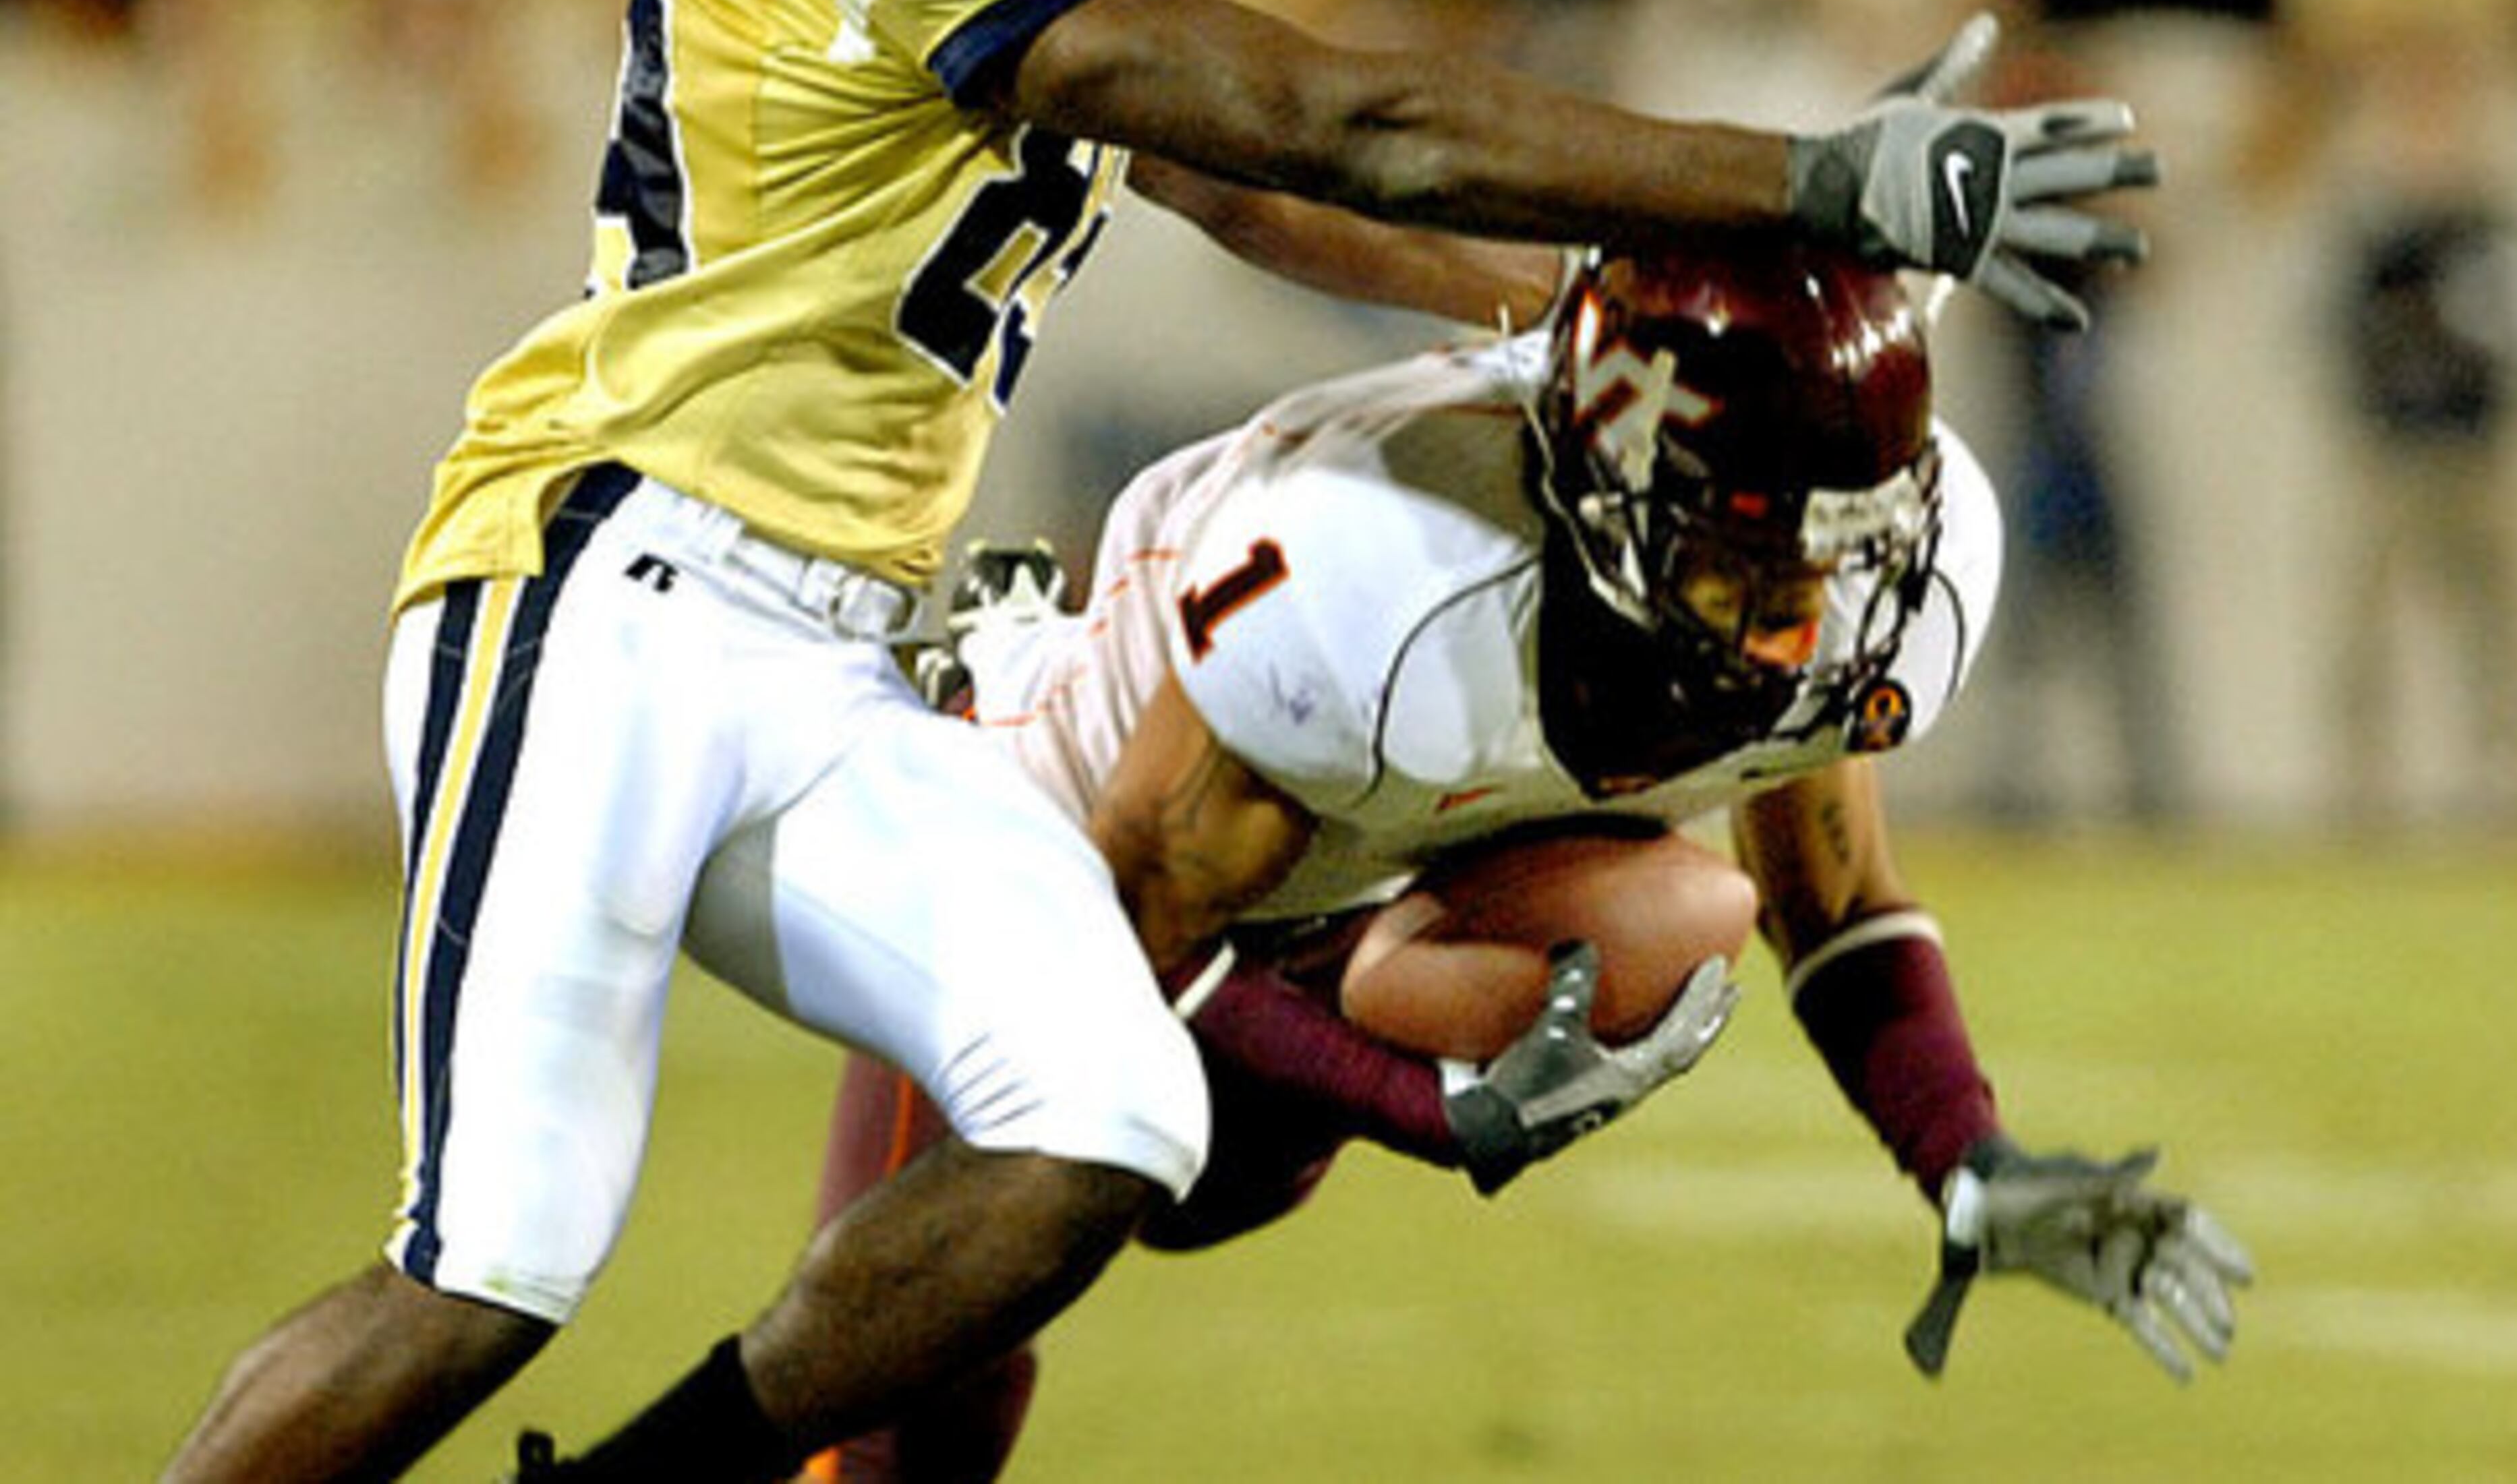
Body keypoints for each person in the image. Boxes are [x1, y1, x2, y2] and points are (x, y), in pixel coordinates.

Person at [157, 0, 2161, 1480]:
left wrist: (1616, 305)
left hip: (819, 645)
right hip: (606, 585)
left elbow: (1245, 189)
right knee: (487, 1271)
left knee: (1104, 1116)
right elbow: (1329, 122)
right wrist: (1797, 179)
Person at [798, 241, 2251, 1481]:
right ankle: (1004, 661)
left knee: (1681, 911)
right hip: (1069, 864)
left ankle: (1340, 974)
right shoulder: (1377, 568)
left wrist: (1967, 1162)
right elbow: (1121, 935)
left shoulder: (1854, 593)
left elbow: (1840, 898)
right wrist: (1426, 1107)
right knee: (932, 1356)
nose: (1799, 625)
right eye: (1747, 564)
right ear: (1613, 497)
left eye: (1839, 560)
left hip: (1342, 888)